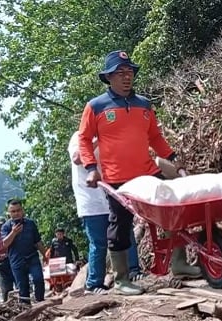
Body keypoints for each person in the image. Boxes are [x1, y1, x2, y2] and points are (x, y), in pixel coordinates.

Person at [78, 49, 200, 296]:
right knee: (120, 224)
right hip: (117, 178)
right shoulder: (96, 106)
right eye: (120, 73)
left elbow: (155, 137)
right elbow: (84, 139)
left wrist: (174, 160)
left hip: (148, 172)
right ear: (108, 77)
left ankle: (178, 263)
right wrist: (91, 168)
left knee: (173, 208)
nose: (126, 77)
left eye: (129, 72)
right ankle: (122, 278)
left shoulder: (144, 104)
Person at [67, 131, 146, 295]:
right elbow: (77, 158)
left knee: (126, 233)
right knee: (99, 242)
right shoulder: (79, 137)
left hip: (114, 196)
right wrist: (98, 140)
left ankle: (134, 271)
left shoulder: (111, 134)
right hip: (91, 201)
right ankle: (94, 283)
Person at [0, 199, 47, 304]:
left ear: (22, 211)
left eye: (18, 210)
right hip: (17, 261)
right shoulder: (6, 227)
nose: (16, 213)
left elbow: (38, 242)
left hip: (32, 257)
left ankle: (41, 303)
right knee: (23, 288)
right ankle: (26, 309)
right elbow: (5, 244)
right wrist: (13, 233)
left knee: (38, 279)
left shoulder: (30, 224)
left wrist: (45, 255)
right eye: (13, 211)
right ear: (9, 213)